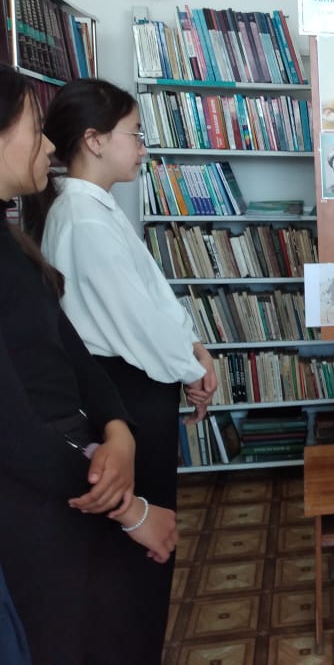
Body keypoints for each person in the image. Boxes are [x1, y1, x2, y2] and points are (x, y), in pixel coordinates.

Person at [25, 77, 216, 663]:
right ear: (95, 140)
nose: (142, 147)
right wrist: (190, 364)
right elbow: (135, 322)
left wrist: (192, 348)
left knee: (145, 546)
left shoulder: (92, 210)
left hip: (134, 388)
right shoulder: (83, 219)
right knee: (140, 552)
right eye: (134, 134)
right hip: (127, 394)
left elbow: (150, 299)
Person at [0, 65, 177, 663]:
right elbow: (16, 421)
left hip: (89, 457)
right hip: (51, 493)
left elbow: (67, 347)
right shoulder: (76, 218)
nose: (49, 144)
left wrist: (118, 428)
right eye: (34, 128)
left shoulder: (16, 241)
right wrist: (128, 505)